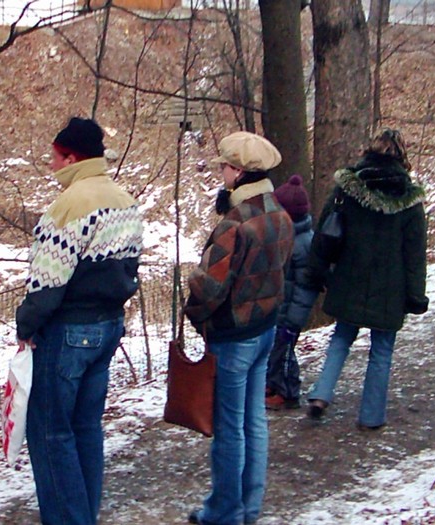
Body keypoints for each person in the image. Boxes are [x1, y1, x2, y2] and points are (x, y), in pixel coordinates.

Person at [15, 117, 143, 525]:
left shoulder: (68, 205)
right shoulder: (125, 199)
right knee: (86, 428)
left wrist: (26, 327)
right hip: (108, 328)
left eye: (54, 158)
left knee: (51, 434)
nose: (51, 166)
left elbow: (47, 282)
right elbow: (132, 264)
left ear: (70, 157)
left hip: (68, 332)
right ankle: (85, 514)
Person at [184, 131, 294, 525]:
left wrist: (193, 312)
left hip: (234, 338)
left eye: (225, 167)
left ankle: (224, 513)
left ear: (240, 172)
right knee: (254, 423)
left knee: (230, 430)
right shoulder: (279, 213)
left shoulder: (235, 223)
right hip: (264, 330)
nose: (221, 173)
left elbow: (209, 286)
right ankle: (248, 508)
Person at [305, 128, 428, 430]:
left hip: (349, 276)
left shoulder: (348, 189)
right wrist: (416, 296)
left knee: (341, 339)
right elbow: (414, 254)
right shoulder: (410, 201)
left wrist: (317, 269)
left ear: (369, 151)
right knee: (382, 350)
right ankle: (371, 416)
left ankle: (321, 394)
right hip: (391, 288)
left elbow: (325, 232)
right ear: (402, 156)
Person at [265, 175, 319, 410]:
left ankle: (288, 393)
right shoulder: (283, 237)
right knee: (274, 349)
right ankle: (273, 384)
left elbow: (306, 287)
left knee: (285, 351)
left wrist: (293, 321)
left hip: (290, 313)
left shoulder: (304, 243)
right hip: (277, 307)